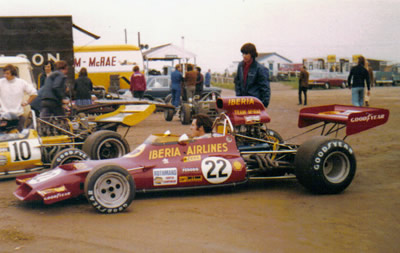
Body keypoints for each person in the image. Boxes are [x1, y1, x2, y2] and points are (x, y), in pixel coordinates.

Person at [0, 64, 37, 131]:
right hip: (3, 116)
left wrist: (26, 102)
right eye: (4, 73)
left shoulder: (21, 82)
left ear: (13, 73)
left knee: (19, 135)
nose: (5, 75)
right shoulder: (1, 82)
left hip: (18, 116)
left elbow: (34, 93)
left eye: (7, 73)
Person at [234, 43, 271, 108]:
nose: (244, 56)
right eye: (243, 54)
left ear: (252, 54)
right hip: (242, 102)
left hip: (255, 102)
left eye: (246, 54)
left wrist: (263, 104)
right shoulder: (240, 66)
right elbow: (237, 82)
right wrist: (238, 97)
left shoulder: (260, 69)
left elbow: (265, 88)